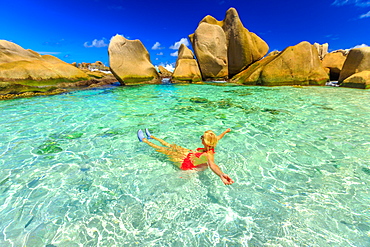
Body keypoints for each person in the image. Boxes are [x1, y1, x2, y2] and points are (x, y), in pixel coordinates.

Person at [137, 128, 234, 185]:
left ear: (206, 142)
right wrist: (225, 131)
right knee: (171, 146)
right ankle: (152, 137)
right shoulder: (212, 143)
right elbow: (218, 138)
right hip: (190, 154)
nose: (201, 138)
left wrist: (221, 174)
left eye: (202, 138)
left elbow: (212, 165)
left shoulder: (209, 154)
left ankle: (144, 140)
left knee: (165, 150)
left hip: (186, 162)